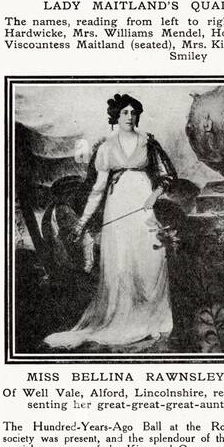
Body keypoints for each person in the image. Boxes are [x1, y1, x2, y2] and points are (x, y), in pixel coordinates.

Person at [44, 94, 177, 350]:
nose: (129, 116)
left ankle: (154, 316)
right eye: (124, 112)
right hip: (118, 207)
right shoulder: (106, 148)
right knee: (122, 264)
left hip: (143, 204)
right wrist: (83, 222)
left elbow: (167, 176)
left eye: (133, 112)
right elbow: (97, 189)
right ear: (116, 116)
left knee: (152, 260)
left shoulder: (148, 143)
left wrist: (153, 195)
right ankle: (124, 320)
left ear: (138, 115)